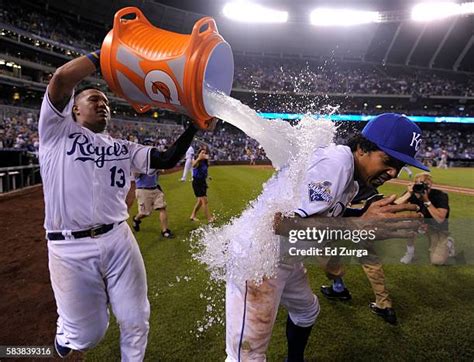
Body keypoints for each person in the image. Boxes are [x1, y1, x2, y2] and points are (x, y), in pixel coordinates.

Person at [227, 113, 427, 361]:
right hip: (259, 255)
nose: (393, 172)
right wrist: (359, 224)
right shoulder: (337, 163)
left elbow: (324, 216)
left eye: (399, 166)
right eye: (387, 160)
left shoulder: (352, 178)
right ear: (362, 148)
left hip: (285, 253)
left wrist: (362, 215)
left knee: (307, 311)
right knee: (248, 355)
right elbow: (280, 223)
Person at [39, 50, 197, 360]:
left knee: (137, 320)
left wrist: (193, 127)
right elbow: (60, 79)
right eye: (94, 100)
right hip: (69, 248)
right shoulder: (56, 131)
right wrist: (107, 54)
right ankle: (67, 330)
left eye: (106, 102)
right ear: (74, 109)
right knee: (88, 336)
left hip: (119, 238)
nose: (103, 104)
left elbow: (165, 160)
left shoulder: (123, 148)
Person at [398, 172, 452, 265]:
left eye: (426, 184)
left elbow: (440, 219)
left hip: (436, 228)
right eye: (420, 184)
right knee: (408, 225)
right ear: (415, 184)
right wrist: (409, 193)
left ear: (431, 184)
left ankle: (449, 243)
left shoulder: (440, 195)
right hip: (421, 224)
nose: (423, 187)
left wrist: (426, 200)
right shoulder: (413, 193)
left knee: (437, 261)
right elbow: (395, 207)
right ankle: (410, 253)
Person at [132, 170, 174, 238]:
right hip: (143, 190)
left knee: (162, 208)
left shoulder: (154, 161)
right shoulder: (140, 164)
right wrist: (145, 168)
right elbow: (135, 176)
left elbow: (159, 172)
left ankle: (165, 231)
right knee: (145, 213)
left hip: (155, 189)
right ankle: (136, 219)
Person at [190, 145, 213, 222]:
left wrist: (208, 176)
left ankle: (193, 215)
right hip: (197, 182)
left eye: (205, 153)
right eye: (202, 152)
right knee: (204, 201)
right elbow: (193, 165)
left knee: (200, 201)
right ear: (199, 153)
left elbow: (204, 171)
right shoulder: (196, 160)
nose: (204, 154)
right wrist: (199, 158)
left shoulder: (205, 162)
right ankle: (209, 218)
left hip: (202, 182)